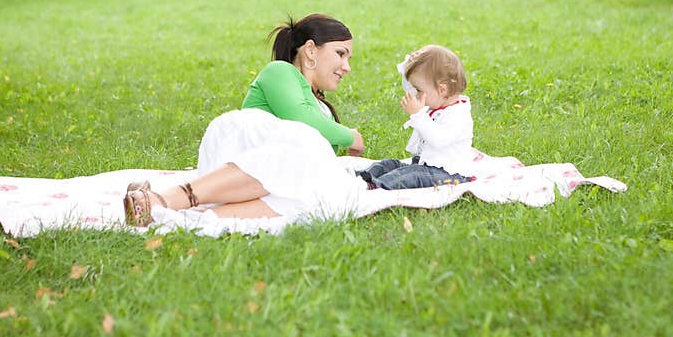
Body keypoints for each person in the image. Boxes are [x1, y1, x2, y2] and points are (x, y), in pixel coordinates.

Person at [123, 14, 366, 227]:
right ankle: (164, 199)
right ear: (311, 50)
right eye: (340, 54)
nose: (347, 67)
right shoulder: (281, 72)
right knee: (304, 147)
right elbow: (301, 120)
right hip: (242, 154)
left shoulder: (319, 105)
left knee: (317, 198)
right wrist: (351, 136)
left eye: (349, 58)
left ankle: (179, 218)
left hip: (269, 183)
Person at [356, 44, 475, 190]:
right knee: (390, 164)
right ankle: (359, 177)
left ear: (442, 89)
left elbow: (439, 140)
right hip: (424, 165)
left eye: (418, 90)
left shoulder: (458, 114)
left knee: (411, 175)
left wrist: (418, 115)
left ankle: (374, 187)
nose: (416, 94)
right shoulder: (437, 104)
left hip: (449, 173)